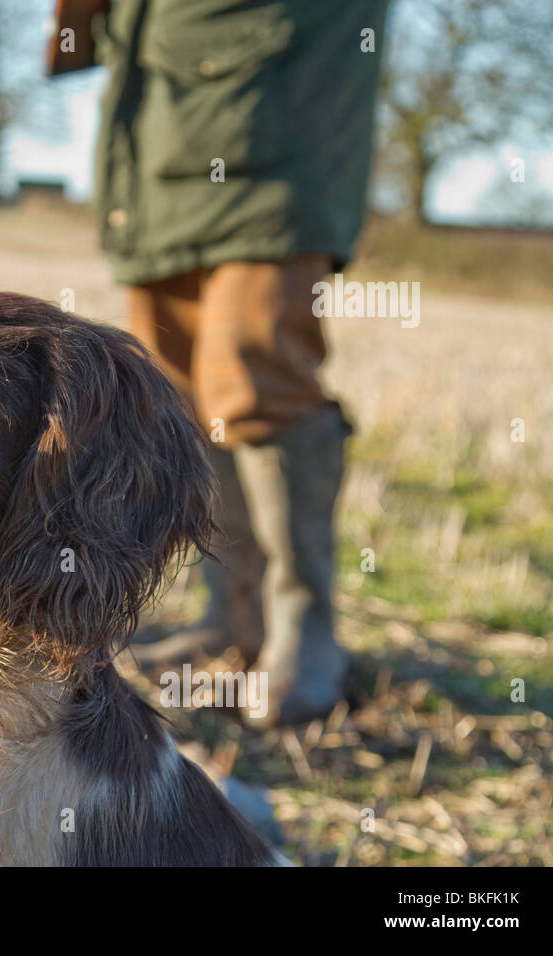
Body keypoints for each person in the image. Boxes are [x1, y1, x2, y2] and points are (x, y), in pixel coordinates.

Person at [87, 0, 391, 726]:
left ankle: (305, 629)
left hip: (279, 106)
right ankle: (233, 617)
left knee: (256, 375)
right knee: (173, 387)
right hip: (160, 117)